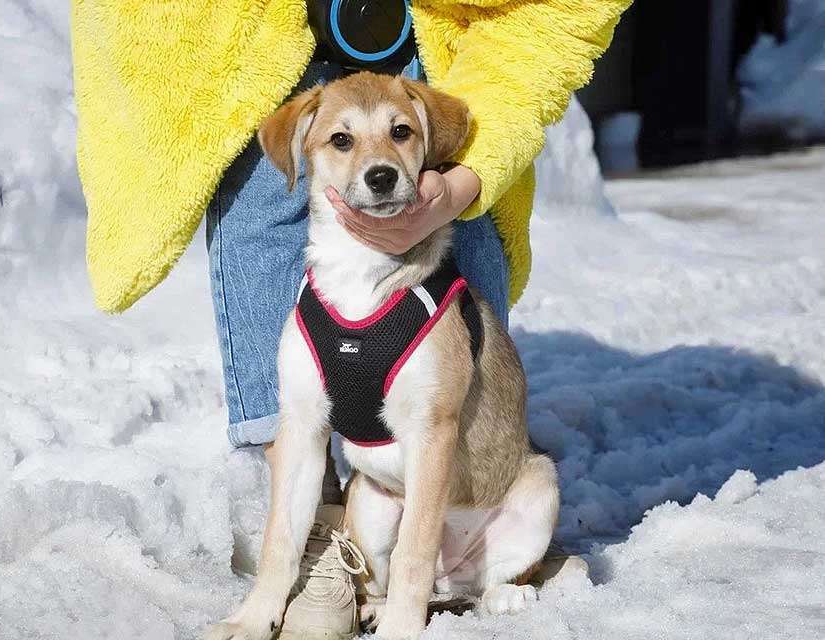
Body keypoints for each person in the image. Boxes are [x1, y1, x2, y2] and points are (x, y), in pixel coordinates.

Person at [72, 0, 631, 636]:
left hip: (487, 507)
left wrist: (457, 185)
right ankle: (314, 558)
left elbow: (557, 22)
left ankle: (486, 575)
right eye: (343, 142)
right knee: (303, 428)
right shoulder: (311, 314)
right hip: (260, 43)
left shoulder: (431, 300)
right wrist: (262, 604)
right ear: (308, 149)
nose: (378, 159)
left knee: (479, 447)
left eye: (399, 134)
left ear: (425, 137)